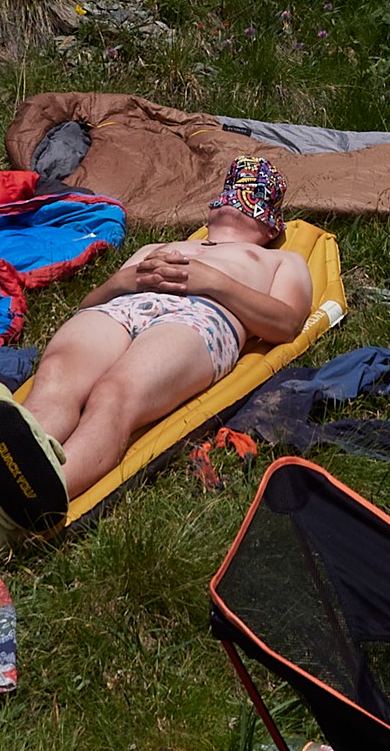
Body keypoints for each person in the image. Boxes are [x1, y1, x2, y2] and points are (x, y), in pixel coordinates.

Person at [30, 156, 312, 498]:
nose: (236, 201)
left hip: (202, 316)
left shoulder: (280, 259)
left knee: (113, 393)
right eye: (231, 193)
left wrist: (213, 282)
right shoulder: (158, 248)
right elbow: (87, 306)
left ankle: (40, 496)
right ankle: (5, 466)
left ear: (272, 229)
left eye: (252, 198)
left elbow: (286, 323)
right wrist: (121, 281)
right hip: (122, 305)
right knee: (56, 376)